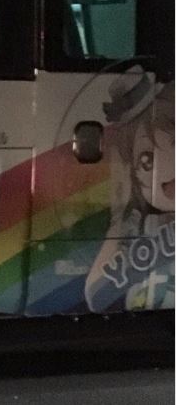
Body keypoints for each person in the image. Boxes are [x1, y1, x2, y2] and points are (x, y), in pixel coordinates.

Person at [85, 68, 174, 312]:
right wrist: (118, 219)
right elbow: (96, 296)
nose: (168, 168)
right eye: (147, 160)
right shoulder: (140, 226)